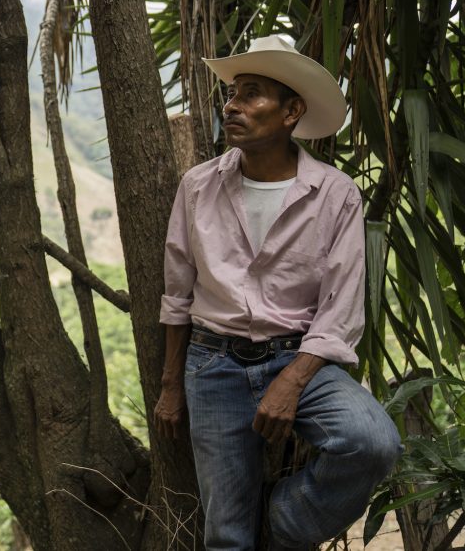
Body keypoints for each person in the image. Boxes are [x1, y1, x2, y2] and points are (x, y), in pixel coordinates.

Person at [153, 35, 402, 550]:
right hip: (212, 364)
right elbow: (177, 293)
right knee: (225, 536)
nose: (233, 104)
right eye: (234, 92)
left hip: (301, 361)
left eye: (252, 93)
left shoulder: (335, 194)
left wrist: (290, 381)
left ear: (291, 112)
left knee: (372, 442)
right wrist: (172, 384)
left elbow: (341, 309)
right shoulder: (198, 187)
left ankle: (281, 525)